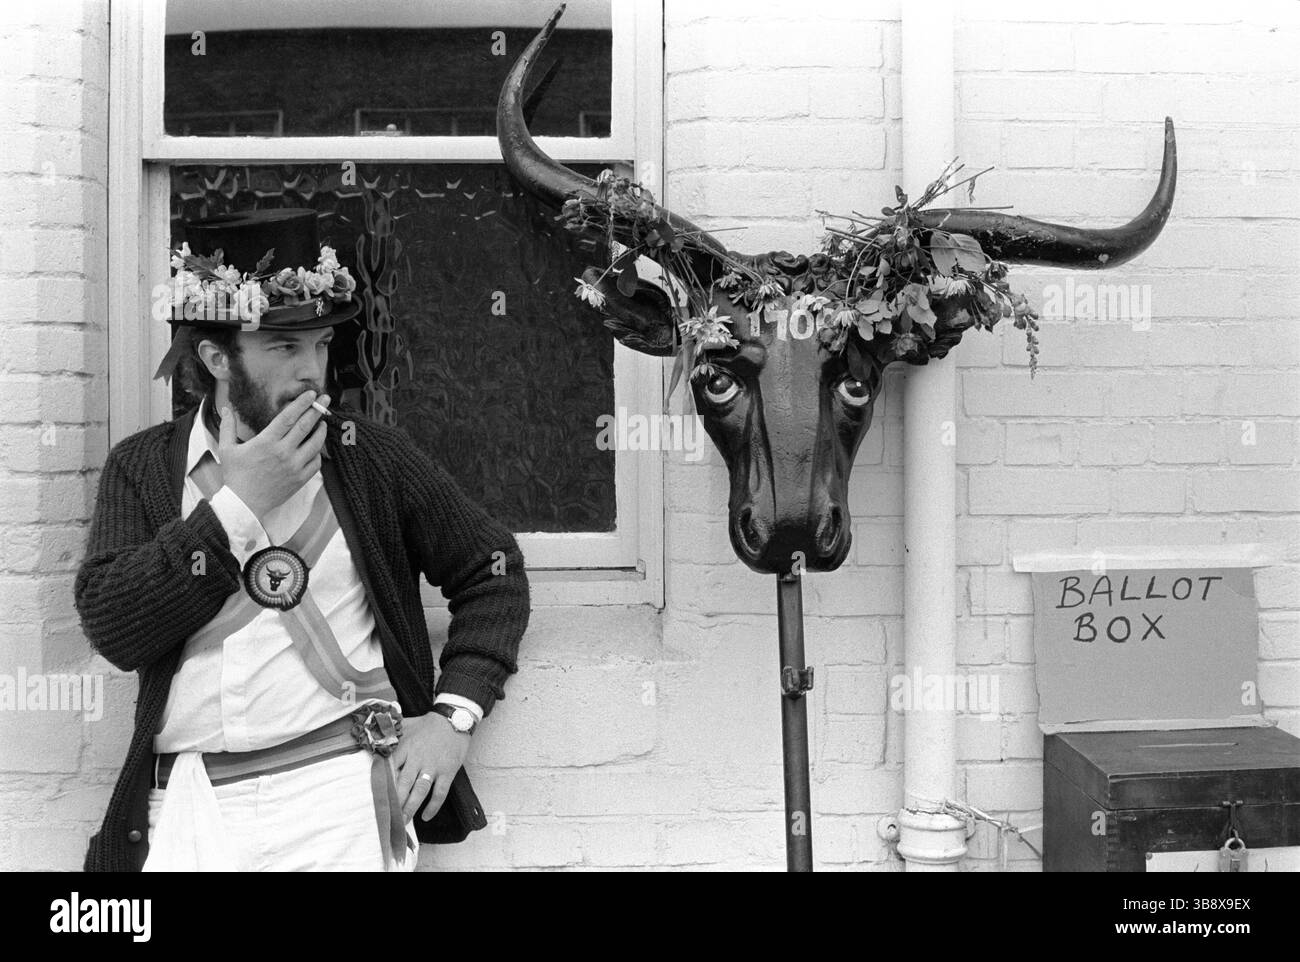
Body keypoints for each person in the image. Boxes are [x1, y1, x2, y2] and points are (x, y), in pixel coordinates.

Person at [75, 209, 530, 871]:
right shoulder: (142, 467)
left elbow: (493, 573)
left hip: (342, 794)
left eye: (320, 344)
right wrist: (240, 504)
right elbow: (116, 628)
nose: (314, 370)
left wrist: (452, 717)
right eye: (286, 348)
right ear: (215, 357)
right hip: (194, 806)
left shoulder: (365, 454)